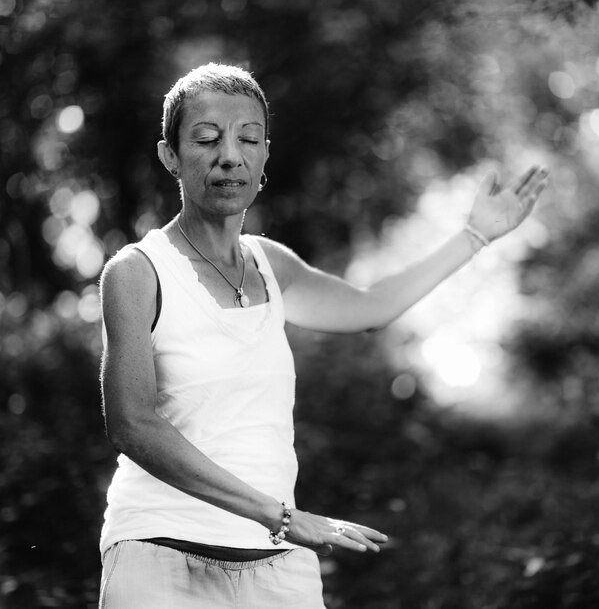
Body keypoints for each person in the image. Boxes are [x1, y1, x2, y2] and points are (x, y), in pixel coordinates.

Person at [97, 62, 547, 608]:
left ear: (265, 156)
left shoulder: (271, 264)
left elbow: (372, 307)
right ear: (171, 155)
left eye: (249, 139)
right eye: (207, 139)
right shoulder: (137, 273)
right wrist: (283, 516)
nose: (229, 156)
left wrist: (475, 236)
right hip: (161, 555)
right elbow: (132, 424)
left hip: (276, 564)